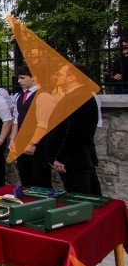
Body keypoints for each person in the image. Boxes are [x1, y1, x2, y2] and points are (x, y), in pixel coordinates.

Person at [49, 63, 102, 194]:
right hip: (74, 160)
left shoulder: (79, 97)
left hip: (75, 160)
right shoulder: (73, 96)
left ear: (72, 77)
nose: (57, 77)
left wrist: (61, 158)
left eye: (60, 75)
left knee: (81, 199)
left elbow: (75, 132)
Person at [10, 65, 55, 188]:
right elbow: (16, 119)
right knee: (25, 178)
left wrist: (33, 143)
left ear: (34, 78)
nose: (19, 81)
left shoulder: (43, 95)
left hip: (38, 145)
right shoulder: (19, 96)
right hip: (22, 142)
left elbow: (43, 123)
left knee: (41, 179)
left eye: (22, 78)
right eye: (18, 78)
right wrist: (13, 139)